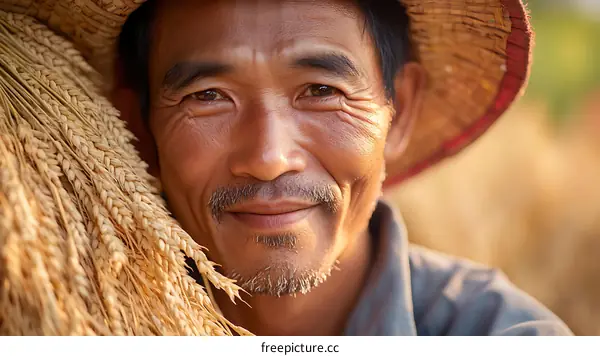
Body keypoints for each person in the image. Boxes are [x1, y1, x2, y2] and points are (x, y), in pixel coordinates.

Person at [3, 0, 573, 336]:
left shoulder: (502, 334)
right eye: (208, 95)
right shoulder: (51, 315)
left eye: (321, 89)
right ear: (136, 125)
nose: (269, 157)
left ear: (400, 112)